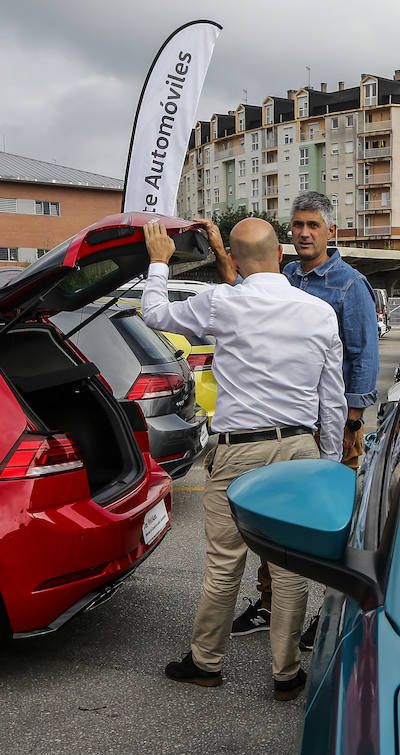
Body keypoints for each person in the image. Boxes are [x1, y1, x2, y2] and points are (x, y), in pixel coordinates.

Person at [141, 217, 344, 700]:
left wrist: (158, 262)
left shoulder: (221, 303)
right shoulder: (318, 312)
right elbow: (331, 399)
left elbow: (154, 314)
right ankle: (287, 673)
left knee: (224, 563)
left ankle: (206, 662)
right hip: (299, 450)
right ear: (281, 255)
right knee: (291, 567)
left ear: (232, 260)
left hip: (238, 452)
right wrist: (329, 461)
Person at [231, 191, 379, 647]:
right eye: (297, 225)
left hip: (332, 423)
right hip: (284, 416)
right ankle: (271, 602)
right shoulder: (284, 276)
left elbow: (362, 357)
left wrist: (351, 424)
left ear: (330, 231)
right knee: (275, 516)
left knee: (331, 522)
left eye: (313, 225)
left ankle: (327, 614)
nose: (304, 233)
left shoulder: (350, 285)